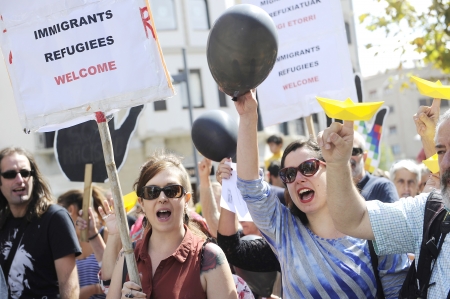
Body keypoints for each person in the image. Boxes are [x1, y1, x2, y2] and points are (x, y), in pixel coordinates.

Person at [232, 90, 409, 298]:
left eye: (308, 167)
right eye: (288, 174)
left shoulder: (375, 230)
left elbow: (398, 292)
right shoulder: (284, 230)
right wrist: (248, 116)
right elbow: (250, 186)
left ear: (330, 168)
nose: (298, 178)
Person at [317, 98, 450, 298]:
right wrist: (337, 163)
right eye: (441, 151)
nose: (446, 161)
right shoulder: (429, 213)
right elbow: (354, 220)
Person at [106, 151, 237, 299]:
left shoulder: (208, 257)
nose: (162, 198)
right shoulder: (127, 256)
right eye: (152, 192)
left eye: (172, 190)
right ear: (141, 203)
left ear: (186, 199)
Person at [0, 147, 81, 298]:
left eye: (25, 173)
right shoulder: (2, 221)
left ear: (33, 177)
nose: (20, 180)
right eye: (10, 174)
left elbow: (70, 287)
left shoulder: (55, 218)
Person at [58, 187, 108, 299]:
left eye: (59, 210)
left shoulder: (105, 234)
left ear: (70, 209)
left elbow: (117, 277)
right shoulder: (65, 243)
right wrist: (94, 289)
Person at [352, 131, 398, 202]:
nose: (347, 157)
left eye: (353, 151)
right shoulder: (333, 192)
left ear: (364, 157)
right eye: (342, 152)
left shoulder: (382, 187)